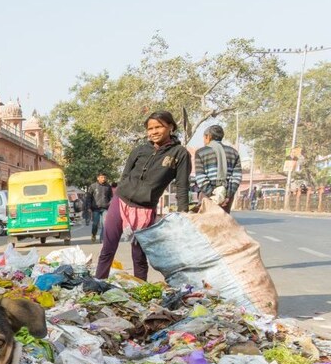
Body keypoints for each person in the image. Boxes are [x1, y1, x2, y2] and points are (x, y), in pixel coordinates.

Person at [96, 111, 191, 281]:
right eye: (150, 128)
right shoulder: (140, 150)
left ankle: (140, 290)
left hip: (145, 209)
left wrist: (183, 215)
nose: (153, 132)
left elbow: (182, 186)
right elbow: (125, 176)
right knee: (107, 249)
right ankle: (97, 285)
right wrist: (121, 191)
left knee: (139, 256)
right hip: (121, 201)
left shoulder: (180, 154)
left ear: (170, 127)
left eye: (158, 127)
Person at [192, 124, 242, 213]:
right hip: (227, 197)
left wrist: (212, 195)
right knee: (223, 223)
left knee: (206, 223)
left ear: (208, 137)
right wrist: (227, 195)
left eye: (204, 137)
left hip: (207, 195)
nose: (204, 140)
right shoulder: (234, 152)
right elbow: (237, 177)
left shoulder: (201, 152)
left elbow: (201, 177)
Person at [87, 173, 113, 243]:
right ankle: (93, 234)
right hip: (96, 209)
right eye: (102, 177)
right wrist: (89, 207)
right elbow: (89, 198)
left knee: (105, 223)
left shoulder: (108, 186)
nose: (103, 179)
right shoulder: (93, 186)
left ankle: (102, 239)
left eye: (104, 177)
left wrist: (111, 203)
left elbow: (111, 197)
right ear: (98, 178)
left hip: (105, 208)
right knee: (95, 224)